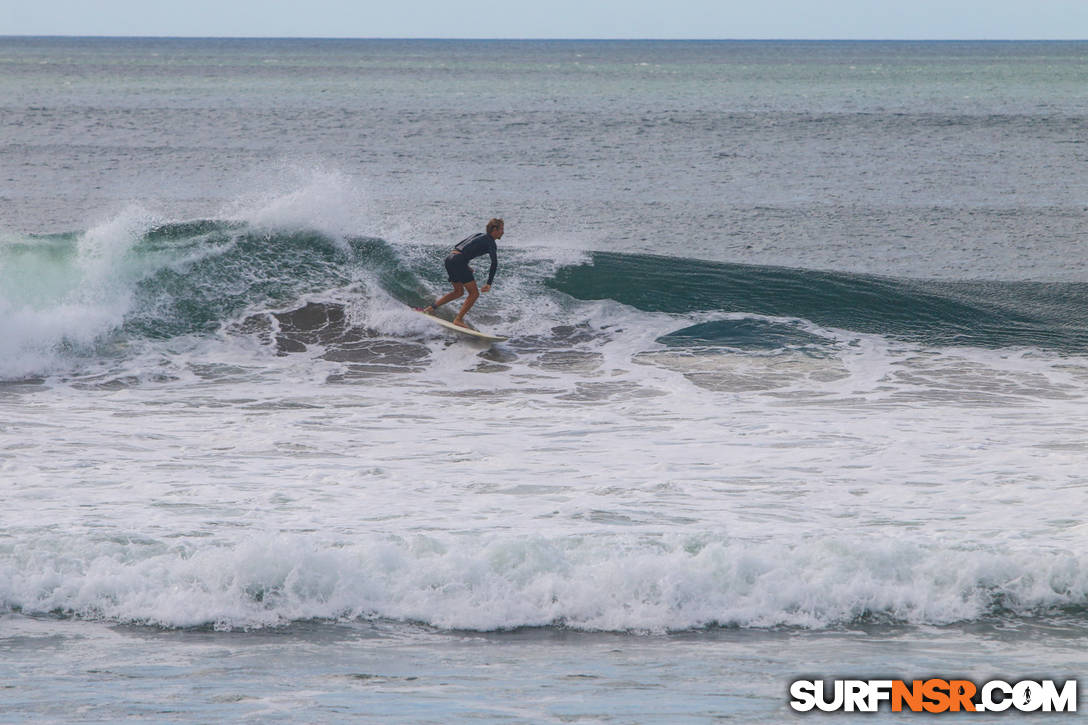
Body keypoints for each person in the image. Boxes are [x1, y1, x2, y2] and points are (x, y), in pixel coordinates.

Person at [423, 218, 503, 328]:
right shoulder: (491, 242)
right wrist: (489, 283)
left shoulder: (478, 234)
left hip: (450, 258)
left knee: (458, 292)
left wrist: (465, 264)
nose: (503, 232)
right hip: (459, 261)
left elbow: (461, 247)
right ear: (495, 229)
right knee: (474, 294)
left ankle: (430, 309)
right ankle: (458, 320)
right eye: (501, 229)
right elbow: (494, 263)